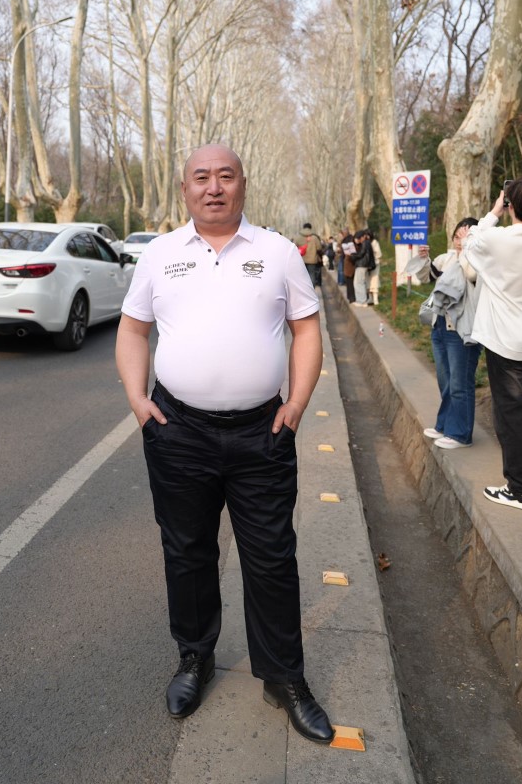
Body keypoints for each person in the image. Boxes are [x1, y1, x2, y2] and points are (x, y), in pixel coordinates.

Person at [115, 144, 334, 743]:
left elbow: (306, 329)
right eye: (201, 177)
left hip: (263, 433)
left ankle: (284, 677)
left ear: (242, 184)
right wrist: (138, 400)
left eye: (225, 176)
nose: (214, 187)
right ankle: (195, 658)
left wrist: (296, 405)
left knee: (272, 556)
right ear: (185, 189)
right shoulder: (160, 254)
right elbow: (133, 330)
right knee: (187, 551)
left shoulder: (278, 252)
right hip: (177, 432)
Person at [462, 177, 522, 509]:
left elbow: (469, 240)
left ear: (511, 205)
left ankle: (521, 487)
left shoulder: (498, 239)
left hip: (505, 342)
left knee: (511, 414)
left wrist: (494, 211)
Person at [416, 218, 482, 450]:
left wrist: (467, 249)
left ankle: (461, 434)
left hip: (462, 330)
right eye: (457, 236)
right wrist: (423, 259)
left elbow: (471, 274)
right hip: (440, 324)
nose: (459, 241)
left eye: (465, 237)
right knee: (446, 380)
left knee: (460, 382)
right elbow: (426, 277)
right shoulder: (446, 259)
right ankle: (445, 425)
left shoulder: (478, 260)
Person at [293, 222, 323, 288]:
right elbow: (319, 248)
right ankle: (311, 290)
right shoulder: (314, 237)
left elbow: (293, 248)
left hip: (301, 260)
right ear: (310, 228)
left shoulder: (298, 237)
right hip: (312, 260)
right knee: (312, 275)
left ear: (303, 228)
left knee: (302, 276)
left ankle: (303, 289)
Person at [349, 229, 373, 305]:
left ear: (363, 237)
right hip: (363, 264)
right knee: (360, 282)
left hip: (362, 264)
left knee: (358, 283)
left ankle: (362, 301)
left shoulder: (365, 243)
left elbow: (361, 254)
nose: (358, 240)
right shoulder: (367, 242)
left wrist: (353, 255)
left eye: (359, 238)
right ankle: (361, 300)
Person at [367, 231, 383, 305]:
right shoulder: (366, 243)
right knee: (368, 281)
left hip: (375, 264)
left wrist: (373, 257)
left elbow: (379, 254)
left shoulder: (375, 243)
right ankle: (370, 298)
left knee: (375, 281)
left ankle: (376, 299)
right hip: (367, 265)